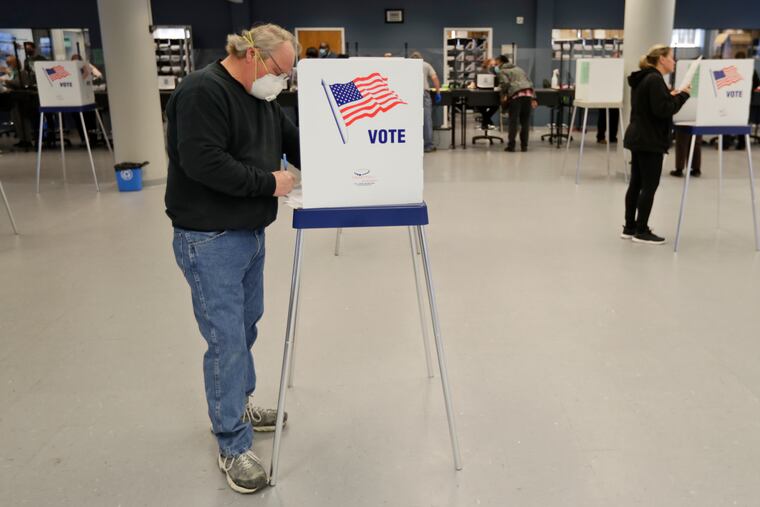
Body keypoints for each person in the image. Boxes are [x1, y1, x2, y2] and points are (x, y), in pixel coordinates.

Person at [165, 23, 299, 494]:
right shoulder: (202, 92)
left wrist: (349, 166)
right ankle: (232, 443)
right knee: (226, 340)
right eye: (280, 71)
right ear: (251, 55)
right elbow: (203, 161)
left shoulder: (262, 97)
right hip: (210, 236)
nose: (282, 81)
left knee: (244, 328)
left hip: (248, 231)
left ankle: (238, 403)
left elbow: (293, 140)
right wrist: (270, 183)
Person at [622, 44, 690, 244]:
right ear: (662, 59)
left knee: (636, 183)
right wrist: (683, 96)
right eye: (671, 57)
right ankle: (642, 231)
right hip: (649, 139)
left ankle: (630, 227)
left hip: (639, 136)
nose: (674, 61)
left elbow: (653, 105)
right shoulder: (655, 80)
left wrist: (670, 96)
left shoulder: (645, 78)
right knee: (649, 185)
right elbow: (663, 110)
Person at [498, 55, 537, 152]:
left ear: (501, 62)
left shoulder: (502, 71)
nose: (496, 66)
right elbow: (530, 83)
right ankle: (524, 146)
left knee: (513, 122)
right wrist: (534, 98)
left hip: (516, 96)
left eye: (496, 63)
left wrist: (503, 95)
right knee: (525, 122)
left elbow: (505, 84)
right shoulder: (520, 69)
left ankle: (511, 146)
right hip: (528, 95)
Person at [410, 51, 441, 153]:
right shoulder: (426, 65)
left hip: (411, 94)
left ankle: (412, 144)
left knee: (411, 120)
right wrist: (438, 92)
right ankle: (428, 145)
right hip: (424, 93)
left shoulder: (408, 65)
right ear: (421, 58)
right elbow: (435, 78)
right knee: (426, 119)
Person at [2, 56, 34, 148]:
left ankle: (27, 140)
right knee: (16, 120)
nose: (8, 65)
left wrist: (6, 81)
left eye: (9, 63)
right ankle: (22, 139)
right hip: (13, 99)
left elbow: (18, 83)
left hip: (22, 100)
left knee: (23, 121)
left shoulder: (21, 73)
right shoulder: (13, 73)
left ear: (15, 63)